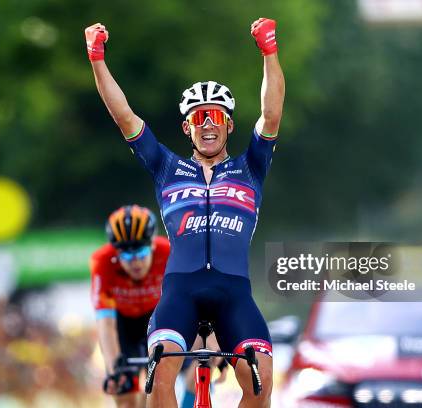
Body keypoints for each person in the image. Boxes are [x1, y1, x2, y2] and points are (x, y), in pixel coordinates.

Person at [85, 17, 284, 407]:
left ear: (228, 124)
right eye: (197, 117)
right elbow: (124, 116)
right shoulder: (167, 167)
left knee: (260, 387)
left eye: (214, 116)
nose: (206, 124)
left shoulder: (251, 167)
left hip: (234, 293)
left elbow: (272, 114)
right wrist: (96, 59)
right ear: (186, 128)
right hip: (180, 291)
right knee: (160, 376)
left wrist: (269, 52)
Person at [90, 205, 169, 408]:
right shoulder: (102, 262)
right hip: (122, 324)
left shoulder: (168, 252)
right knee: (125, 395)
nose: (135, 262)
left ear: (152, 244)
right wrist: (114, 368)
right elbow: (106, 324)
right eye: (126, 255)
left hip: (155, 319)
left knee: (156, 389)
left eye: (141, 252)